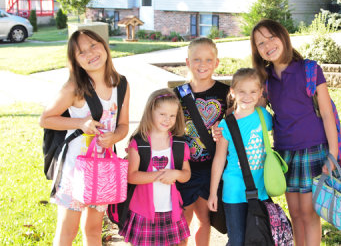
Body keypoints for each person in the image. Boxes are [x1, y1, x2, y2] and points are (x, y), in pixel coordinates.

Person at [250, 19, 339, 246]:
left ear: (283, 36)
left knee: (310, 214)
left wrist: (333, 154)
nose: (268, 44)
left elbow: (328, 114)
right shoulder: (266, 80)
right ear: (257, 52)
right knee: (296, 214)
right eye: (261, 43)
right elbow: (252, 108)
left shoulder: (310, 69)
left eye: (271, 37)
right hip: (285, 155)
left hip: (313, 150)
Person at [39, 29, 130, 246]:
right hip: (74, 170)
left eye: (93, 45)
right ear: (76, 62)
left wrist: (114, 137)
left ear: (104, 45)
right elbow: (46, 119)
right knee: (67, 232)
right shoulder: (74, 87)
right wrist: (81, 123)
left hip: (103, 169)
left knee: (93, 229)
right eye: (82, 52)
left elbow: (124, 125)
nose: (90, 53)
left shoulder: (122, 84)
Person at [173, 37, 230, 246]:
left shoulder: (226, 93)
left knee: (203, 219)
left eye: (208, 60)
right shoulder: (177, 95)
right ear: (188, 62)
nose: (202, 65)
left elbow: (236, 125)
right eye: (197, 59)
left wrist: (222, 130)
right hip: (184, 168)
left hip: (211, 168)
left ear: (216, 63)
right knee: (183, 220)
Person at [208, 68, 273, 246]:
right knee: (237, 240)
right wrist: (213, 193)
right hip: (234, 192)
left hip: (261, 190)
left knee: (260, 237)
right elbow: (219, 160)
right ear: (233, 92)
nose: (247, 96)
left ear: (260, 93)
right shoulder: (226, 125)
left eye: (253, 91)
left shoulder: (264, 117)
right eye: (242, 91)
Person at [119, 88, 191, 246]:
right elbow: (131, 176)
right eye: (162, 114)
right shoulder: (138, 143)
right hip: (143, 212)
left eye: (172, 115)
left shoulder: (179, 144)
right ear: (151, 112)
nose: (167, 119)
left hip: (171, 211)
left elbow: (186, 175)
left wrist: (176, 174)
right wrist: (160, 175)